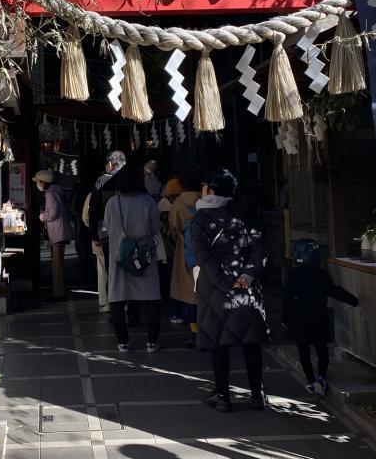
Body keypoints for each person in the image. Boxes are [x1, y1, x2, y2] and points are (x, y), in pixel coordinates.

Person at [192, 168, 268, 413]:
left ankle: (223, 396)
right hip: (246, 287)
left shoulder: (201, 219)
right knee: (250, 342)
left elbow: (203, 257)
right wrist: (245, 277)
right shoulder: (246, 215)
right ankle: (257, 395)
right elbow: (260, 248)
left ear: (211, 190)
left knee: (218, 342)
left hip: (214, 289)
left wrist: (224, 282)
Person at [283, 238, 359, 397]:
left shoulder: (294, 276)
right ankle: (321, 377)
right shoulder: (322, 275)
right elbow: (334, 291)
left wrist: (284, 318)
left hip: (299, 318)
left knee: (303, 350)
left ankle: (310, 380)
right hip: (319, 316)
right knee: (321, 349)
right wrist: (354, 301)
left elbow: (287, 299)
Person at [104, 169, 162, 353]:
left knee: (117, 297)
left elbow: (106, 226)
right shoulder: (149, 202)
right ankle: (152, 341)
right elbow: (155, 229)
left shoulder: (113, 202)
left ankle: (123, 341)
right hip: (143, 257)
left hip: (120, 257)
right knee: (152, 296)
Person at [87, 150, 126, 312]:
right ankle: (130, 304)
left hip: (109, 232)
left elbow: (93, 210)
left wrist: (94, 234)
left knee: (112, 267)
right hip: (131, 230)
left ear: (110, 164)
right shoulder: (132, 179)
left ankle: (114, 303)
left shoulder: (102, 181)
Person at [168, 170, 201, 344]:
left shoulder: (179, 203)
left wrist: (180, 240)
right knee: (204, 292)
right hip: (206, 250)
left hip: (186, 250)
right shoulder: (206, 199)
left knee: (189, 295)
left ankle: (194, 333)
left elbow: (173, 228)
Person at [34, 169, 73, 301]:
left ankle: (58, 294)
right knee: (58, 263)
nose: (37, 184)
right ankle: (59, 291)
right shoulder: (56, 192)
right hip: (61, 230)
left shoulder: (50, 194)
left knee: (56, 265)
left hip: (57, 231)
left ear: (43, 182)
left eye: (38, 182)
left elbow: (53, 213)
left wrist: (42, 216)